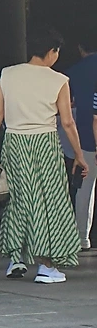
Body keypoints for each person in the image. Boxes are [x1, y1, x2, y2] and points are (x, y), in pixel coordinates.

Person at [0, 26, 89, 284]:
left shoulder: (7, 74)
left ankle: (15, 259)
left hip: (14, 143)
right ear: (52, 51)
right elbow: (67, 123)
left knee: (17, 199)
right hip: (45, 144)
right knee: (49, 201)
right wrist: (79, 155)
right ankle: (46, 265)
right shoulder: (59, 80)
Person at [67, 39, 97, 248]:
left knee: (86, 187)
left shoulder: (73, 72)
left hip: (85, 136)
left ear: (80, 47)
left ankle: (82, 236)